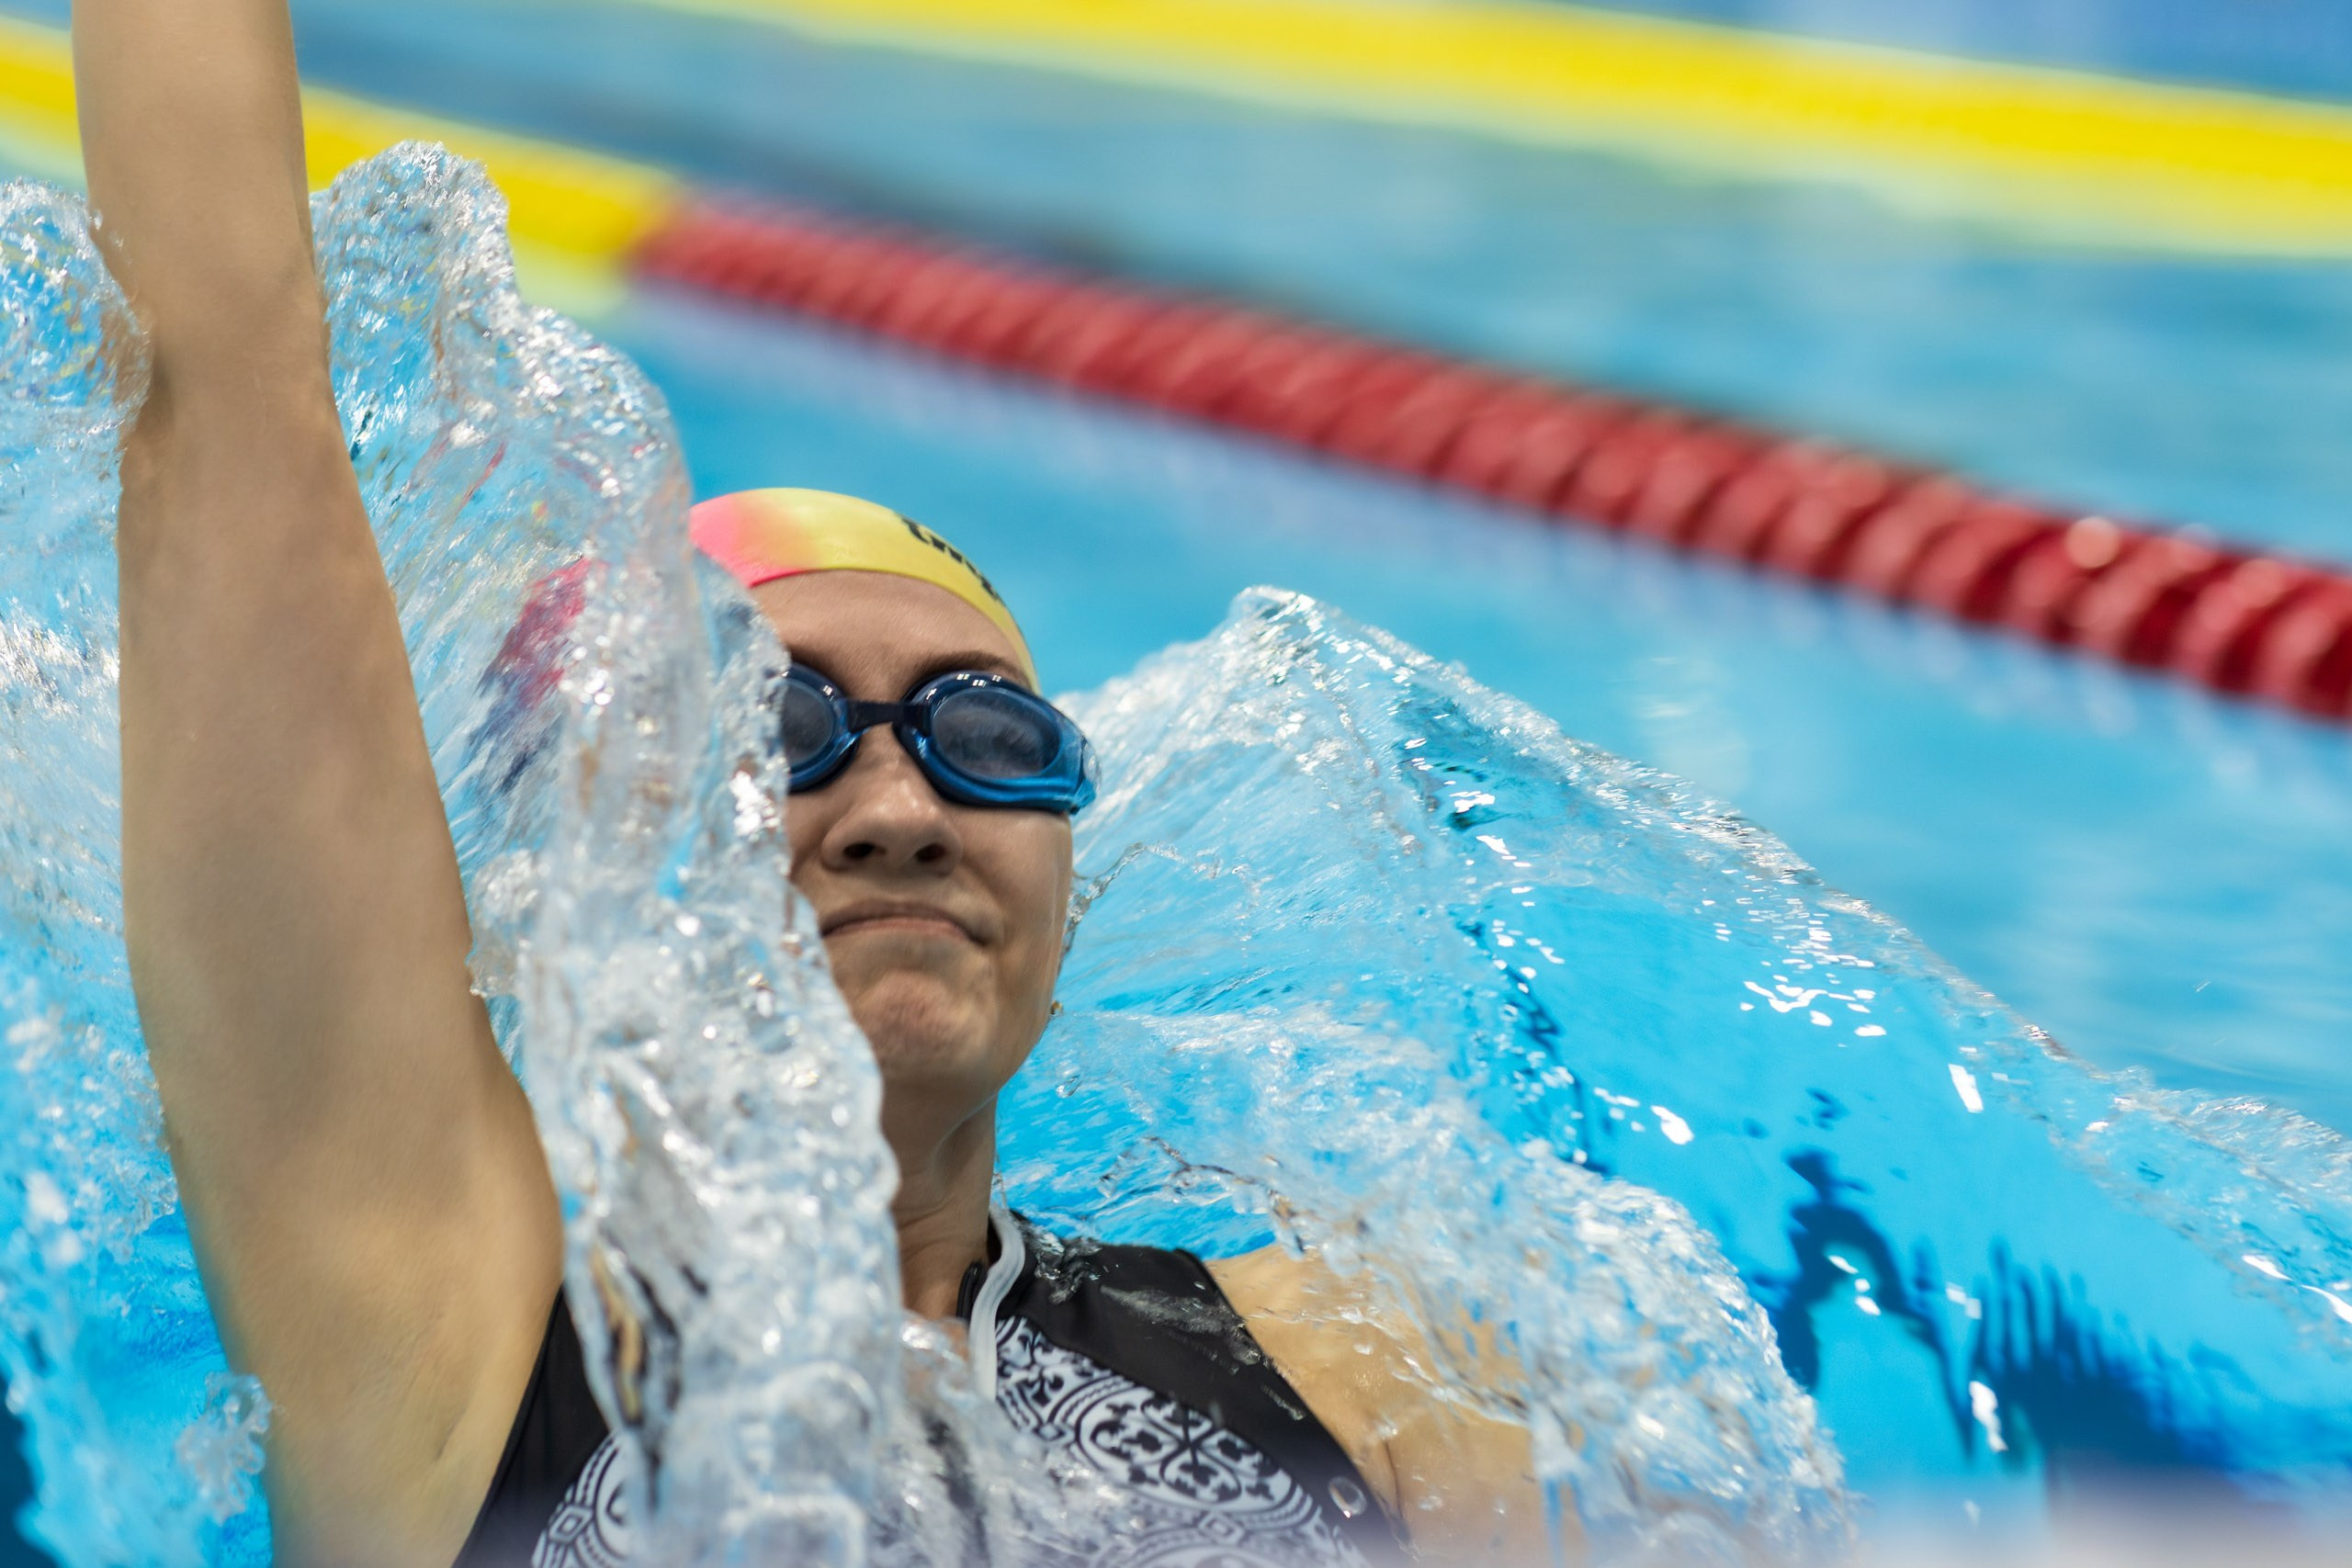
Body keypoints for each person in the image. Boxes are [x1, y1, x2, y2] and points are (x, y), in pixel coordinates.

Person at [74, 2, 1546, 1563]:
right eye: (780, 730)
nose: (902, 812)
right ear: (585, 866)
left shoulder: (1376, 1366)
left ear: (1069, 886)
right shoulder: (443, 1346)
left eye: (988, 739)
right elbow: (218, 383)